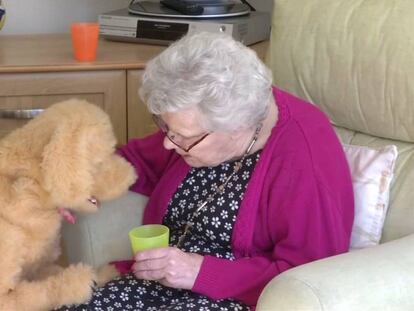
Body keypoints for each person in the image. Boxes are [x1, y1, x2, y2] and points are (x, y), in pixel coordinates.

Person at [61, 32, 354, 310]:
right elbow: (131, 160)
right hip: (159, 285)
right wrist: (81, 181)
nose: (167, 142)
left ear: (237, 126)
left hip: (240, 299)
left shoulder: (305, 157)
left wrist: (200, 272)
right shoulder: (200, 120)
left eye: (183, 136)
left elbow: (308, 278)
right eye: (164, 126)